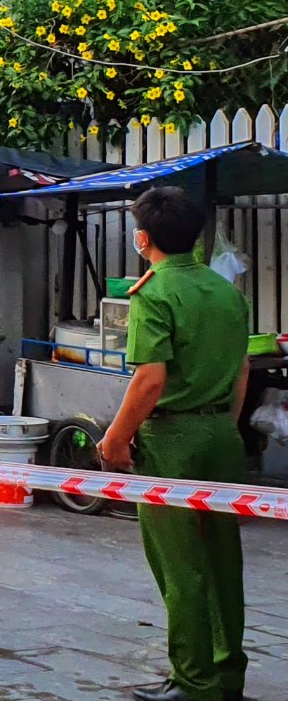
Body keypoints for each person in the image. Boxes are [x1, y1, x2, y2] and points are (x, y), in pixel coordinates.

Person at [99, 187, 250, 701]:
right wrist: (223, 422)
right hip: (221, 435)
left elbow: (149, 381)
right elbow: (242, 369)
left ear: (142, 239)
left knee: (181, 565)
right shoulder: (227, 292)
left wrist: (116, 438)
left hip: (172, 439)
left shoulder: (155, 293)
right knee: (224, 559)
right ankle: (227, 675)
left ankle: (194, 681)